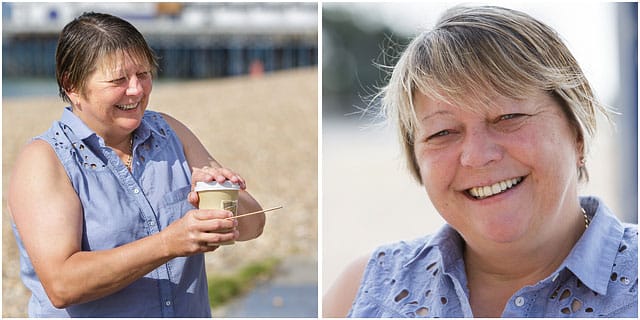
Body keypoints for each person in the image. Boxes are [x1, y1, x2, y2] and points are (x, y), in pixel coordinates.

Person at [323, 5, 637, 318]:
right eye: (443, 132)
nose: (477, 156)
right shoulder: (362, 293)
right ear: (416, 160)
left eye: (509, 117)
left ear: (577, 133)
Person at [8, 12, 265, 317]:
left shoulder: (170, 132)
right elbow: (62, 285)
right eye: (118, 80)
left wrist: (221, 193)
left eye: (143, 74)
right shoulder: (45, 161)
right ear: (72, 85)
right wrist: (169, 243)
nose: (137, 90)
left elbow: (255, 225)